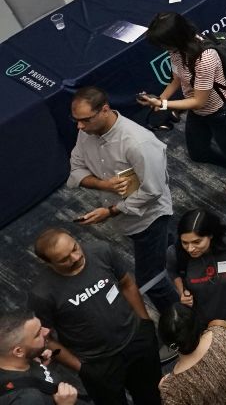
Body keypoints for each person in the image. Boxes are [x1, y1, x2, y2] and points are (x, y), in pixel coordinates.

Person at [64, 86, 176, 310]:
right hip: (124, 216)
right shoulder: (86, 131)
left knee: (151, 281)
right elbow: (76, 169)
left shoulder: (139, 143)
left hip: (148, 217)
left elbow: (152, 191)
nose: (79, 126)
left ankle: (181, 322)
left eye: (84, 120)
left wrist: (111, 211)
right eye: (76, 120)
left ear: (104, 110)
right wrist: (103, 185)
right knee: (169, 247)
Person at [27, 229, 161, 405]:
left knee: (152, 397)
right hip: (98, 364)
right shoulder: (42, 294)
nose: (75, 257)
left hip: (137, 342)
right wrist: (81, 368)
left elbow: (127, 284)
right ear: (48, 263)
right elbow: (46, 338)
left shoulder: (102, 251)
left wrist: (145, 323)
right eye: (64, 259)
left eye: (74, 248)